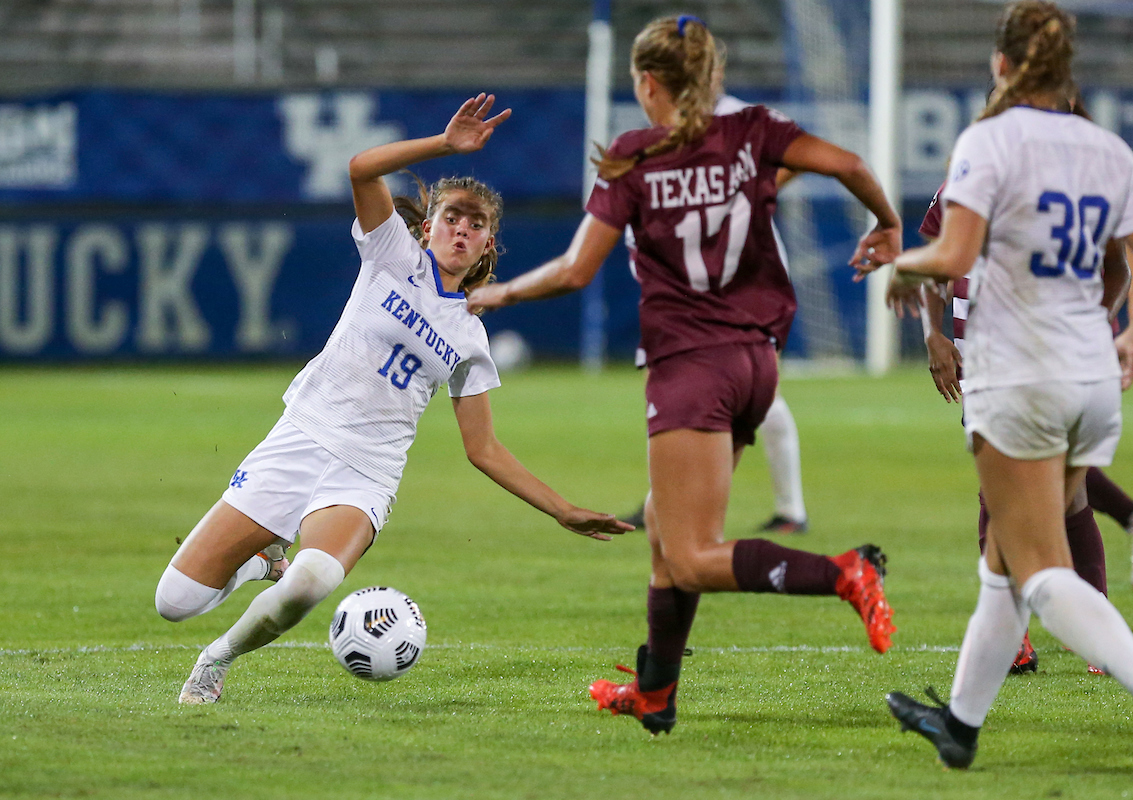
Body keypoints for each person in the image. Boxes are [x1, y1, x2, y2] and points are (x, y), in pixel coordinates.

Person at [468, 15, 900, 735]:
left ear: (646, 83)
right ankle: (655, 693)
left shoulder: (637, 157)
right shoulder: (754, 132)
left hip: (691, 367)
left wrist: (499, 292)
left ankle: (846, 572)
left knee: (694, 557)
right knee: (668, 540)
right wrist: (885, 222)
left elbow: (577, 270)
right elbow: (850, 162)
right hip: (757, 361)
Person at [154, 94, 631, 705]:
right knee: (174, 603)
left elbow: (482, 448)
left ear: (488, 246)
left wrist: (562, 510)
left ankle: (215, 661)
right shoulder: (390, 255)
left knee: (313, 581)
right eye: (452, 216)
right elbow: (360, 167)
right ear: (427, 225)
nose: (463, 228)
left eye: (476, 224)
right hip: (303, 435)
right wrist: (443, 144)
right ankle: (259, 560)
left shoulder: (472, 337)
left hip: (367, 470)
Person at [880, 1, 1133, 779]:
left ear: (1003, 65)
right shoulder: (1107, 149)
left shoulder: (989, 140)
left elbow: (951, 249)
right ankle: (959, 726)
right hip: (1091, 377)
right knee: (1002, 563)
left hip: (1018, 374)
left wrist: (897, 263)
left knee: (1040, 567)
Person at [919, 176, 1133, 676]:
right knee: (1047, 493)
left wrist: (1098, 324)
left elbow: (1121, 266)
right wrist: (934, 335)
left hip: (1037, 355)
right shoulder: (971, 172)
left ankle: (1026, 645)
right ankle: (1091, 625)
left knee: (1016, 493)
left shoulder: (1063, 168)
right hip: (992, 353)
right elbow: (936, 260)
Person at [620, 88, 809, 536]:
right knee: (684, 390)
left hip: (746, 276)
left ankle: (786, 511)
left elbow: (803, 155)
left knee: (750, 391)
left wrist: (747, 195)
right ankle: (665, 504)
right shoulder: (663, 128)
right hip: (694, 280)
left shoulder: (739, 114)